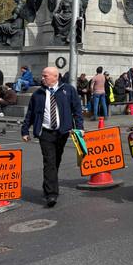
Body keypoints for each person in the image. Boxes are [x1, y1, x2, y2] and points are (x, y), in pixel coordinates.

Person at [21, 66, 84, 208]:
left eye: (45, 76)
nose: (42, 78)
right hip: (45, 132)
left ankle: (47, 184)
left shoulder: (68, 90)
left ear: (55, 76)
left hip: (62, 132)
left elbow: (77, 110)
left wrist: (79, 128)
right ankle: (51, 194)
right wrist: (25, 131)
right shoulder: (38, 94)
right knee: (49, 161)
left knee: (56, 161)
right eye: (42, 76)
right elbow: (30, 113)